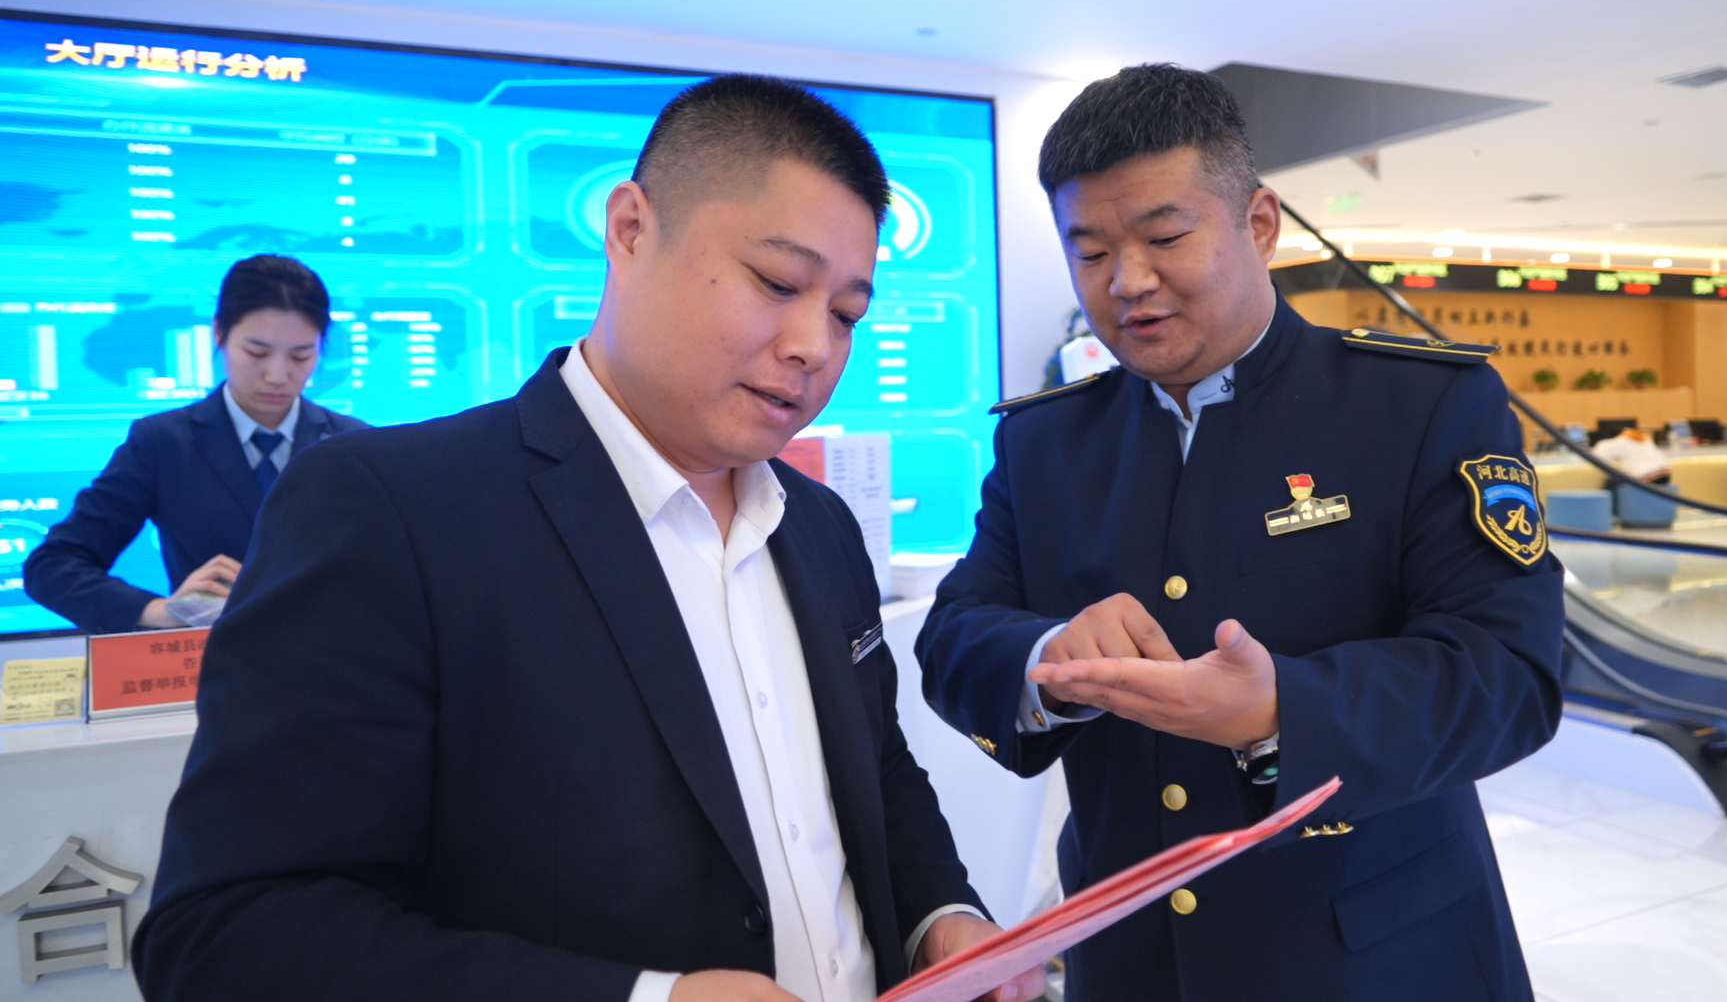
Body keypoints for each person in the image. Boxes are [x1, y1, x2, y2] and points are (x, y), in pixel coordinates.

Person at [132, 75, 1043, 1002]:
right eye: (777, 283)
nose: (816, 345)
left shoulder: (819, 526)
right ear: (631, 229)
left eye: (847, 313)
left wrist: (940, 920)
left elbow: (872, 774)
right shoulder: (389, 510)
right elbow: (231, 937)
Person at [916, 64, 1565, 1001]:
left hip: (1378, 958)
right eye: (1089, 252)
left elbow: (1509, 673)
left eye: (1165, 238)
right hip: (1134, 962)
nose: (1127, 282)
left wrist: (1280, 711)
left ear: (1259, 224)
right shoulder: (1045, 442)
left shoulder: (1418, 404)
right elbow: (953, 634)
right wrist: (1049, 655)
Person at [23, 255, 365, 634]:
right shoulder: (163, 442)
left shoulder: (354, 444)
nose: (277, 375)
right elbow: (51, 566)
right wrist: (159, 612)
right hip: (214, 661)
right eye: (257, 352)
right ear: (219, 333)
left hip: (335, 659)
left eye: (301, 355)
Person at [1591, 425, 1672, 486]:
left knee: (1611, 481)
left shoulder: (1614, 442)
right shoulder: (1644, 436)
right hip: (1665, 474)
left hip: (1647, 477)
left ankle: (1610, 504)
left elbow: (1599, 461)